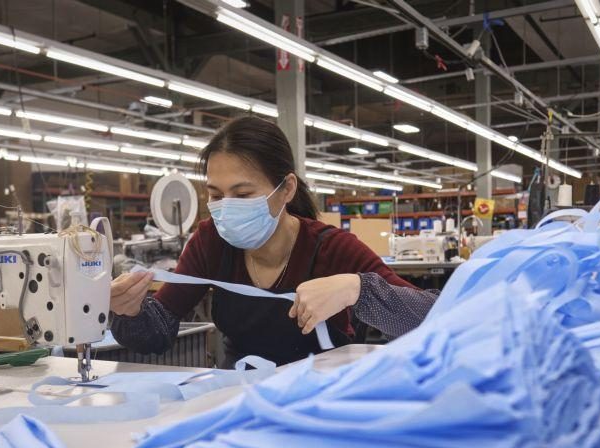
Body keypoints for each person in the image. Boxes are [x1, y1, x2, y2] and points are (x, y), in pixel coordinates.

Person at [110, 116, 437, 367]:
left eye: (243, 194)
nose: (226, 207)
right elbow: (158, 334)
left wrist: (358, 288)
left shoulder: (331, 248)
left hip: (321, 401)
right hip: (242, 395)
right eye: (215, 195)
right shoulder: (210, 241)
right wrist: (131, 313)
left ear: (286, 189)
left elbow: (436, 316)